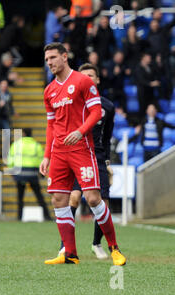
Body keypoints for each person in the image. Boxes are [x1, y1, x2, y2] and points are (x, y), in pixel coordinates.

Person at [40, 42, 126, 266]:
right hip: (59, 151)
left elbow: (96, 113)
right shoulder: (49, 91)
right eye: (47, 59)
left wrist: (80, 132)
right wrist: (47, 155)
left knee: (93, 198)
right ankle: (70, 254)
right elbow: (51, 126)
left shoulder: (83, 81)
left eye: (53, 58)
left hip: (82, 149)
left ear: (64, 57)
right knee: (59, 199)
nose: (49, 62)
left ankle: (114, 248)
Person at [58, 63, 115, 260]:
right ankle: (65, 247)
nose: (87, 79)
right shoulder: (71, 103)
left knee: (102, 201)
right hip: (76, 155)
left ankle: (97, 244)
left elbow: (106, 138)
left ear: (97, 80)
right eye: (83, 76)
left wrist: (107, 161)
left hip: (97, 158)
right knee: (73, 198)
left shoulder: (107, 107)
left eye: (91, 76)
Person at [7, 128, 52, 221]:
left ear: (23, 133)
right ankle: (47, 216)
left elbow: (10, 160)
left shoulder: (16, 145)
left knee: (20, 197)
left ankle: (19, 217)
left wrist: (12, 173)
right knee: (39, 196)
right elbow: (41, 160)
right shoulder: (36, 145)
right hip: (33, 174)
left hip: (20, 174)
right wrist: (42, 174)